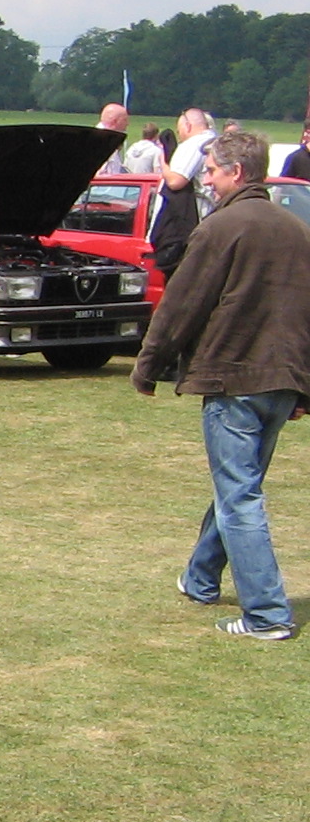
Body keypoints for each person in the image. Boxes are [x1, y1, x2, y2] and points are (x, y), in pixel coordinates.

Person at [132, 128, 310, 640]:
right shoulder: (296, 230)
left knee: (239, 497)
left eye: (211, 170)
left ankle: (267, 616)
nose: (204, 179)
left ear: (236, 173)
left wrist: (147, 368)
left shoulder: (221, 228)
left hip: (236, 380)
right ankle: (200, 578)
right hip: (280, 383)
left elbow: (182, 305)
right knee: (239, 485)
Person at [149, 108, 216, 281]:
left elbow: (176, 181)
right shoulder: (216, 142)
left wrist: (164, 164)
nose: (180, 137)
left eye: (179, 131)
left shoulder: (195, 144)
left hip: (190, 227)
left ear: (188, 126)